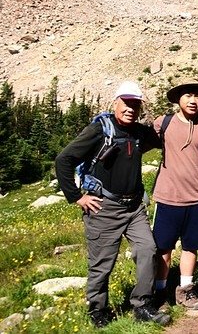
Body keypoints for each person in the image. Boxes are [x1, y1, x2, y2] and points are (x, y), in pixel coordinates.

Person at [54, 81, 171, 328]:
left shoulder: (140, 132)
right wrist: (76, 197)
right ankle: (98, 311)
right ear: (115, 103)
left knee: (148, 250)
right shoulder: (99, 130)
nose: (130, 108)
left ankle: (142, 305)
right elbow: (64, 159)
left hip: (135, 206)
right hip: (103, 207)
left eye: (135, 104)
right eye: (126, 103)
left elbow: (167, 135)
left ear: (140, 108)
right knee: (102, 263)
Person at [152, 79, 198, 310]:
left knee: (190, 247)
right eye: (188, 96)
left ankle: (185, 291)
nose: (193, 100)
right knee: (163, 248)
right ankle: (160, 291)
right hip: (167, 197)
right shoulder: (162, 123)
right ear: (178, 100)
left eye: (197, 96)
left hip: (197, 198)